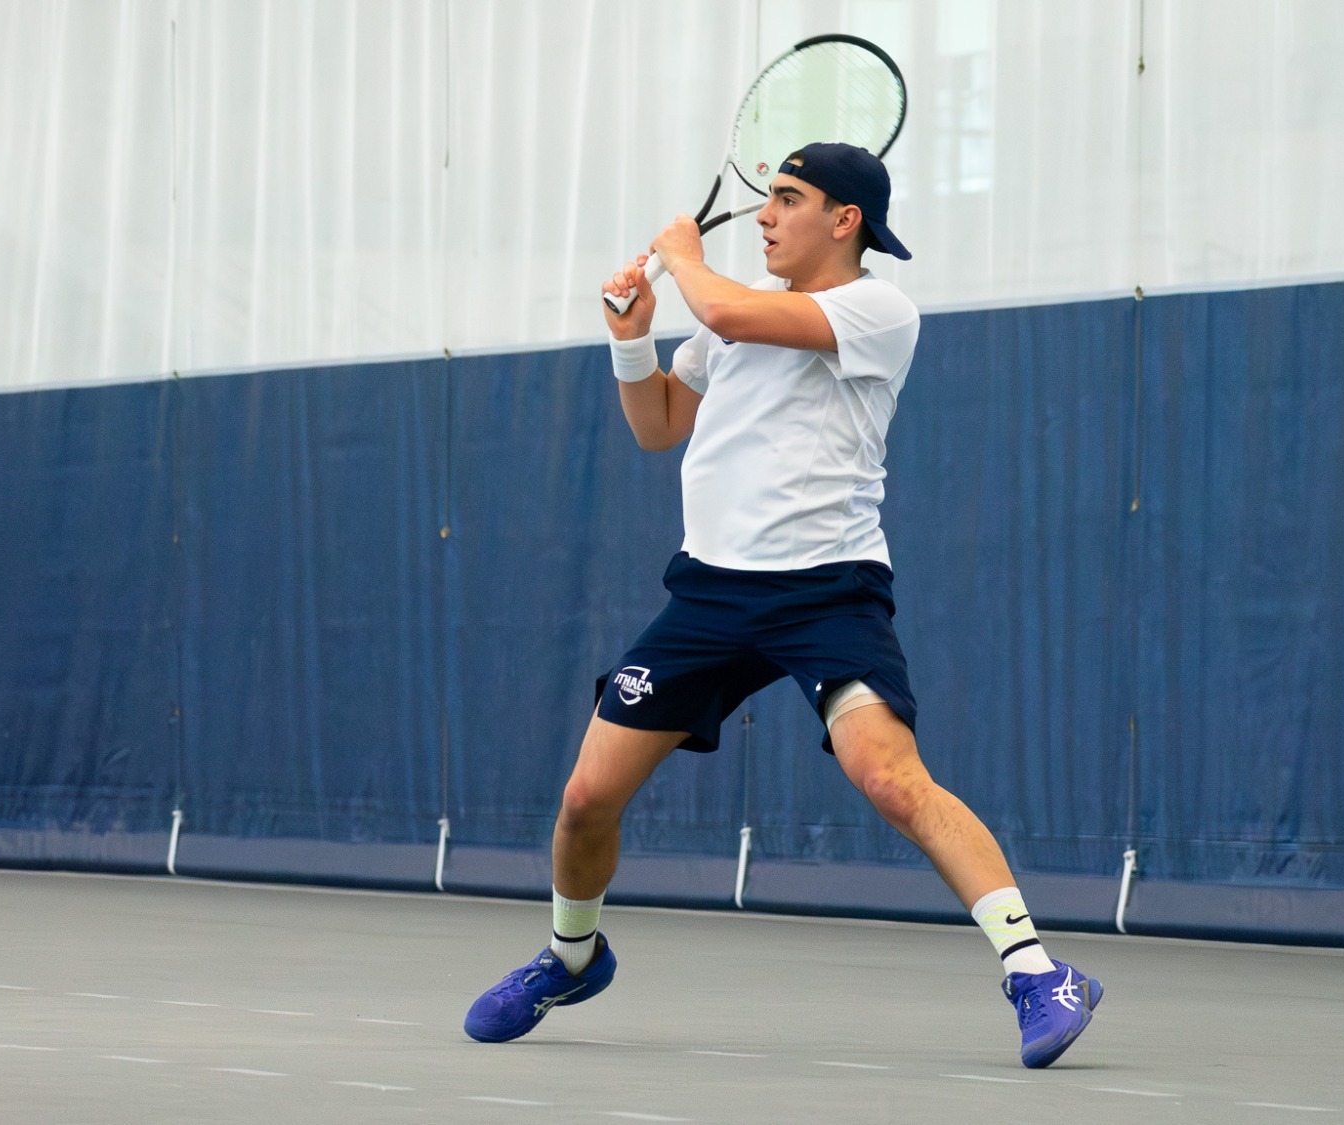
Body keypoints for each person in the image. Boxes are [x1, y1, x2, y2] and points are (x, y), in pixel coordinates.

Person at [462, 142, 1101, 1068]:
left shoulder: (876, 308)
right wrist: (631, 334)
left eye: (788, 199)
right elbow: (658, 426)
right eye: (764, 199)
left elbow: (720, 299)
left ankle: (1039, 971)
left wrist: (681, 252)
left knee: (891, 779)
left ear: (845, 221)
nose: (764, 215)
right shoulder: (728, 327)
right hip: (709, 596)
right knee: (584, 799)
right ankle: (571, 957)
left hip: (826, 592)